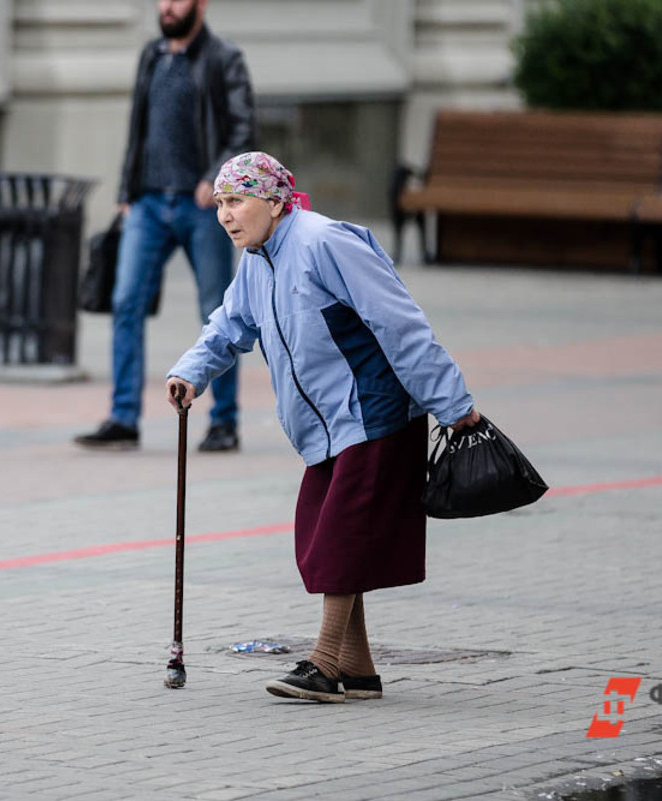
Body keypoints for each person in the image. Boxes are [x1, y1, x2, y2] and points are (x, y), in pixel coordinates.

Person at [165, 152, 480, 702]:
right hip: (325, 425)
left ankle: (323, 663)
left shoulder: (324, 242)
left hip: (374, 414)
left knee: (337, 537)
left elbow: (401, 323)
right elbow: (229, 325)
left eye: (236, 201)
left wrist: (453, 404)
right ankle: (357, 670)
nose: (225, 216)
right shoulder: (258, 260)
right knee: (325, 533)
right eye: (220, 204)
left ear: (274, 200)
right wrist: (190, 373)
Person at [74, 0, 255, 452]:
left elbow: (242, 129)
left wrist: (216, 176)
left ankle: (225, 422)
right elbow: (137, 127)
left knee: (220, 310)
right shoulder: (151, 54)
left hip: (203, 207)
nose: (168, 7)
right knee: (125, 302)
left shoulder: (223, 59)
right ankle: (123, 418)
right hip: (149, 203)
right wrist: (125, 190)